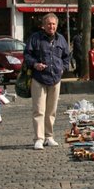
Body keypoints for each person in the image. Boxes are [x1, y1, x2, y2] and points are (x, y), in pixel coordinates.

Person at [23, 13, 71, 150]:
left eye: (53, 24)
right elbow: (27, 54)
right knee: (39, 110)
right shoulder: (35, 38)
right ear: (43, 25)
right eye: (49, 24)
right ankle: (39, 138)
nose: (51, 26)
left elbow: (67, 57)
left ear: (57, 25)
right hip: (39, 78)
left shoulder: (61, 39)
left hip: (55, 78)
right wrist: (35, 64)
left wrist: (63, 68)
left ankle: (49, 136)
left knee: (51, 110)